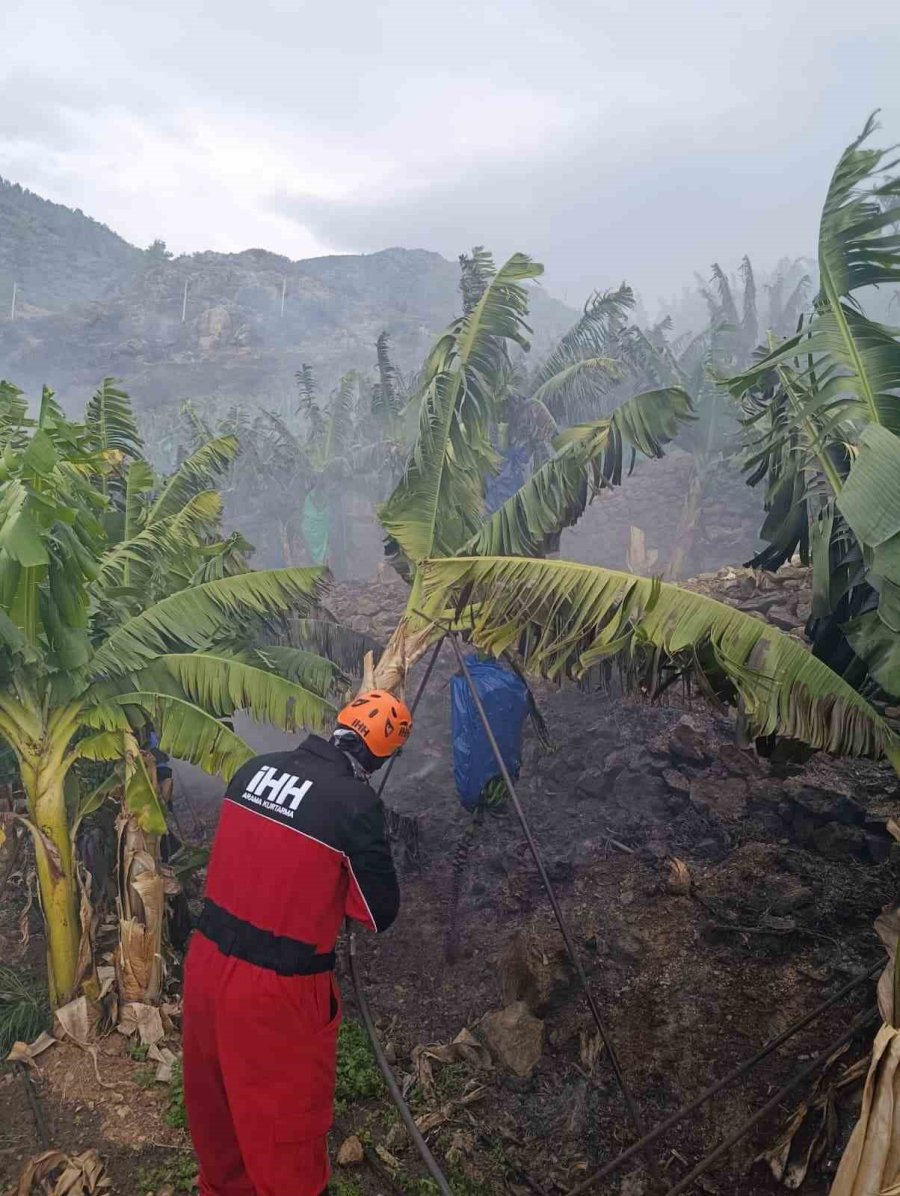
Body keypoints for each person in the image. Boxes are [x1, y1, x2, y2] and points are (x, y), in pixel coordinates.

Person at [182, 690, 412, 1196]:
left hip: (203, 967)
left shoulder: (252, 771)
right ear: (379, 756)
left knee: (217, 1126)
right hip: (275, 994)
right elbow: (378, 913)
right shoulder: (354, 804)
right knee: (285, 1138)